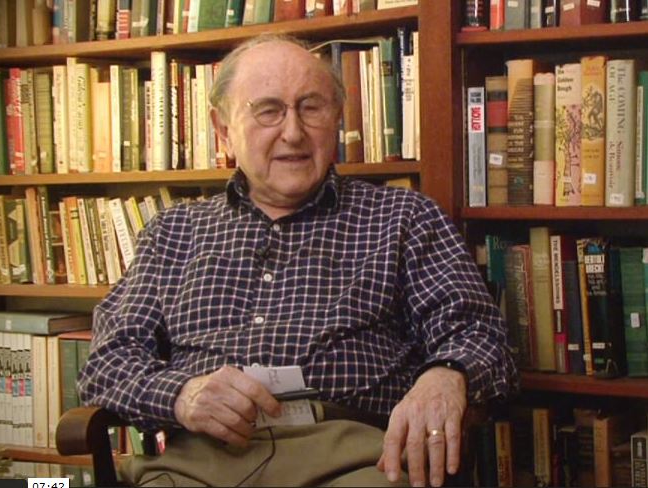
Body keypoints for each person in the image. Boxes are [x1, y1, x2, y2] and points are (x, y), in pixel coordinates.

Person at [78, 34, 518, 487]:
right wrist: (182, 395)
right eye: (268, 110)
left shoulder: (403, 218)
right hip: (194, 463)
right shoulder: (173, 232)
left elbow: (479, 333)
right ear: (223, 129)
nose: (292, 132)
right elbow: (106, 363)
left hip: (352, 461)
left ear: (338, 119)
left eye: (311, 107)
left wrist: (445, 377)